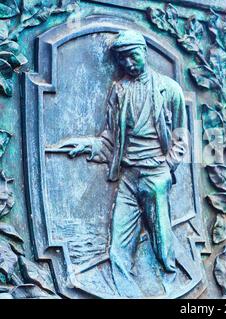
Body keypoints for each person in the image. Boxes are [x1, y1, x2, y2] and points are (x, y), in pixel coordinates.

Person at [58, 30, 188, 297]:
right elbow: (110, 136)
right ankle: (127, 293)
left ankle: (171, 286)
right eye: (121, 59)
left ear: (144, 52)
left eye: (132, 56)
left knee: (162, 241)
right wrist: (87, 144)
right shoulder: (119, 90)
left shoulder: (170, 90)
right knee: (118, 244)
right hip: (128, 176)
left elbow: (180, 135)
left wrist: (167, 166)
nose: (128, 63)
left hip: (155, 174)